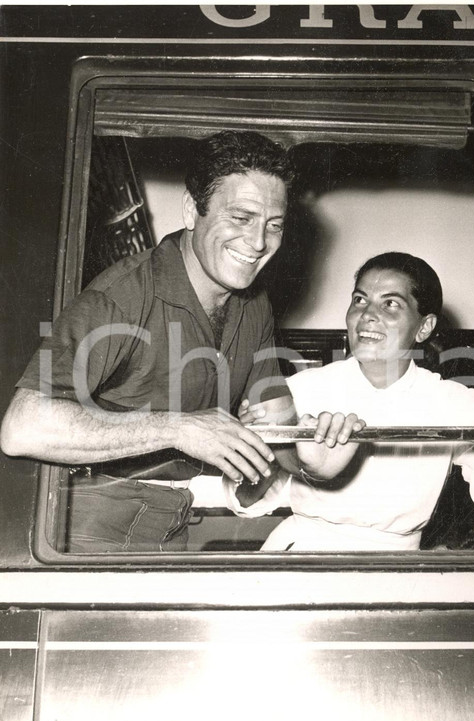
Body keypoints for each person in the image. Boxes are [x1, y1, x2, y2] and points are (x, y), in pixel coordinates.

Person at [0, 130, 363, 553]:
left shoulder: (255, 303)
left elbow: (276, 428)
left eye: (274, 225)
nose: (259, 242)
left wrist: (319, 457)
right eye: (241, 218)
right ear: (192, 210)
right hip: (82, 520)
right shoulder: (123, 295)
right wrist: (178, 427)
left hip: (173, 519)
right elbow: (21, 428)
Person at [238, 251, 474, 552]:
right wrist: (264, 448)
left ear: (424, 327)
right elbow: (245, 499)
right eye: (360, 300)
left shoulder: (454, 404)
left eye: (390, 304)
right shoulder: (297, 391)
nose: (368, 315)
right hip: (298, 553)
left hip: (398, 569)